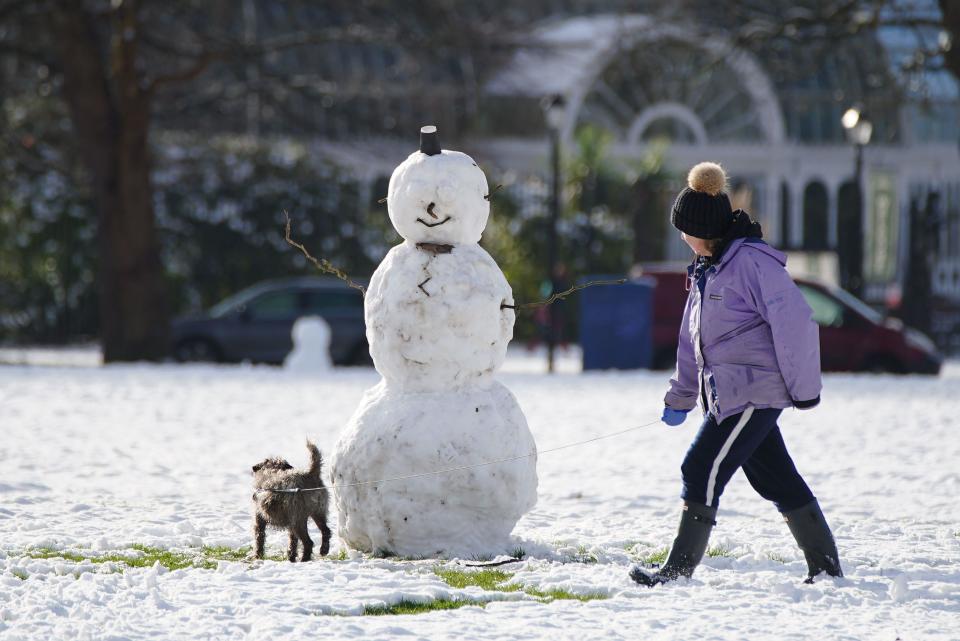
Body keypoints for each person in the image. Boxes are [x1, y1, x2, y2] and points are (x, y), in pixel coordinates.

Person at [630, 162, 843, 587]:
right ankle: (826, 569)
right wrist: (680, 399)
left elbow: (796, 321)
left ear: (702, 230)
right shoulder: (707, 270)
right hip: (729, 394)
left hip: (754, 391)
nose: (681, 238)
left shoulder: (751, 263)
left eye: (684, 230)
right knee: (775, 478)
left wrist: (804, 391)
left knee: (700, 467)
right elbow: (692, 345)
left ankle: (676, 572)